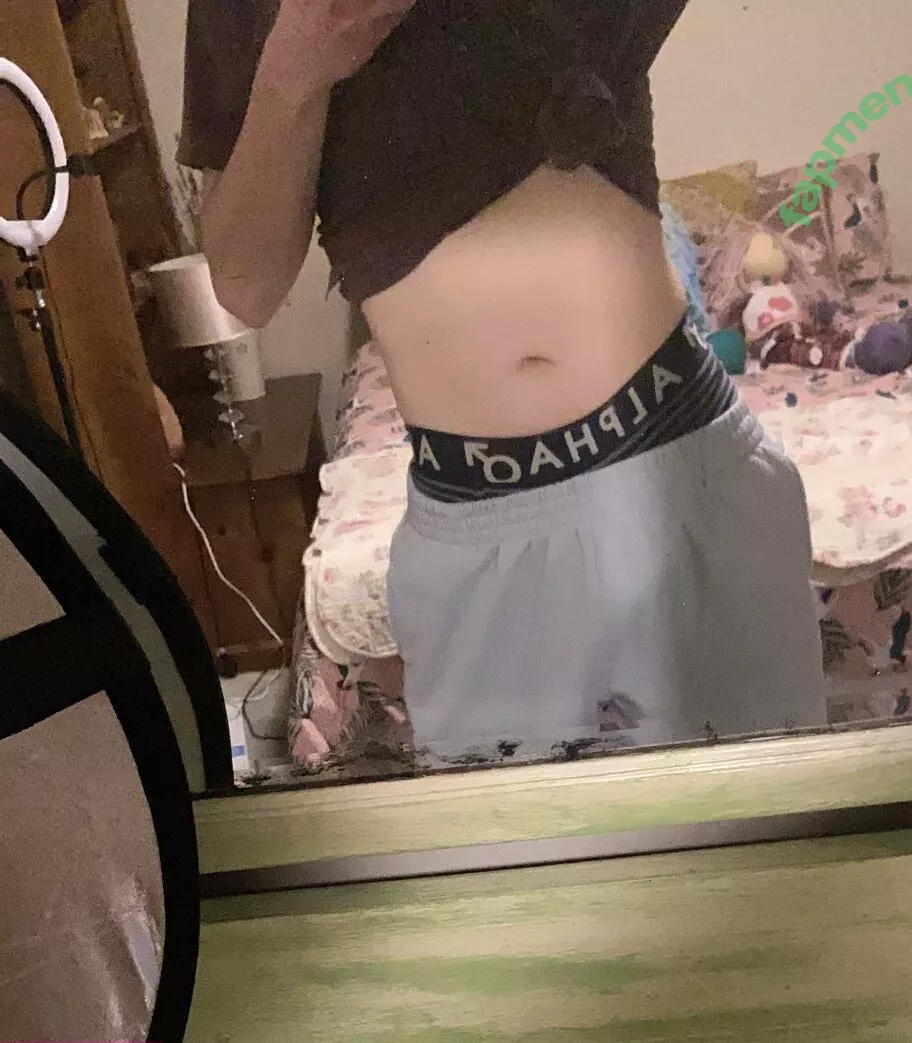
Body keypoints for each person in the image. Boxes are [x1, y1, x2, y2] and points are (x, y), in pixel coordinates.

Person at [180, 0, 827, 756]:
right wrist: (295, 66)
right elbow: (245, 286)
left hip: (685, 468)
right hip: (476, 525)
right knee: (516, 839)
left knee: (770, 831)